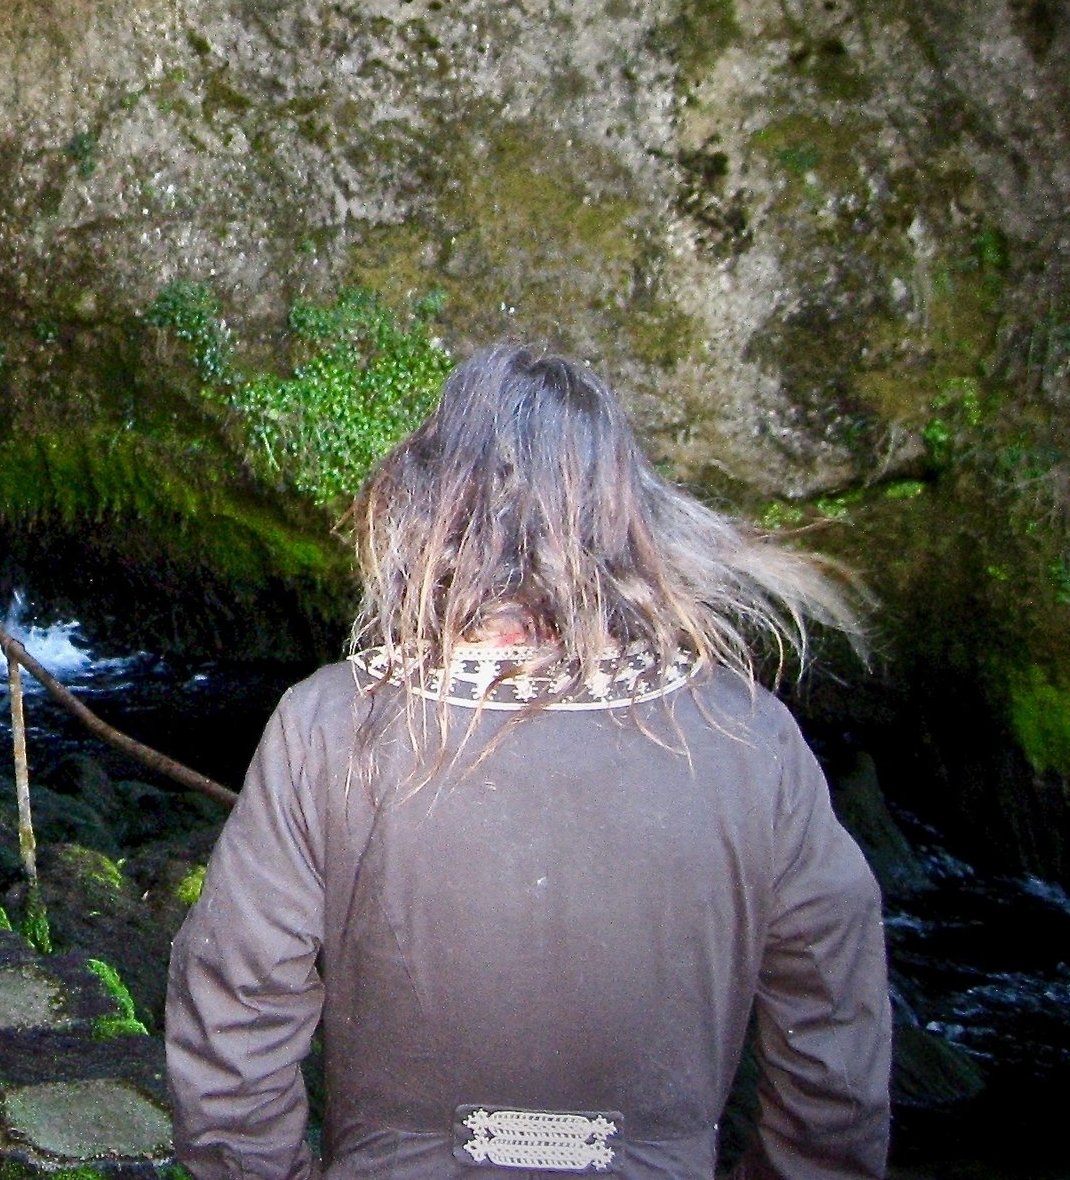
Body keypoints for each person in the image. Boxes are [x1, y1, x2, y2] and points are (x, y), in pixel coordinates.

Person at [167, 344, 889, 1180]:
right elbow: (835, 1056)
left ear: (428, 496)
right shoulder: (753, 740)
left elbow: (231, 1027)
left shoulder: (327, 723)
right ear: (631, 515)